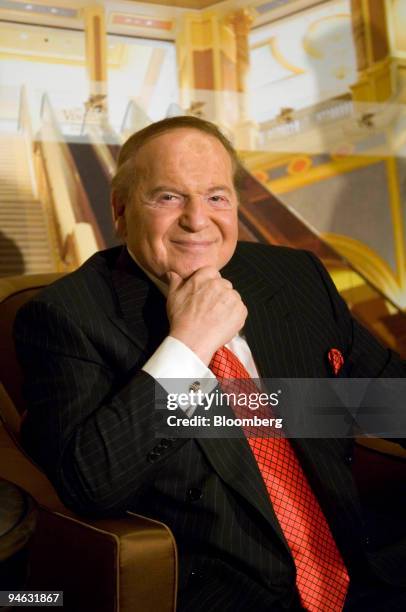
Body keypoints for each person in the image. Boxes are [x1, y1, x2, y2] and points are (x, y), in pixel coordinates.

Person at [14, 116, 406, 611]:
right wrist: (188, 346)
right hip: (233, 594)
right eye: (169, 197)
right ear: (120, 210)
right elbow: (89, 485)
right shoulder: (66, 317)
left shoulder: (294, 277)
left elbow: (392, 401)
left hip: (369, 569)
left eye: (216, 197)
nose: (198, 220)